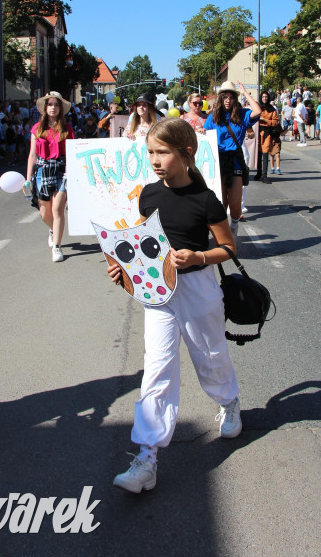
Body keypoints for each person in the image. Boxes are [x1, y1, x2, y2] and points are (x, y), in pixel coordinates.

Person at [108, 118, 241, 493]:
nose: (154, 159)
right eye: (150, 152)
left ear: (185, 153)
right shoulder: (148, 194)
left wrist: (198, 257)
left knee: (210, 355)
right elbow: (139, 244)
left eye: (162, 152)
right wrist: (124, 270)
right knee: (157, 368)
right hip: (159, 292)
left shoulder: (206, 199)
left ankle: (228, 402)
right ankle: (146, 456)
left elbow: (229, 248)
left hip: (198, 287)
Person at [204, 81, 261, 236]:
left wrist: (244, 93)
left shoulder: (242, 115)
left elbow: (257, 111)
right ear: (220, 99)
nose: (228, 100)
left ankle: (234, 226)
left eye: (231, 97)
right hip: (218, 161)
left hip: (235, 160)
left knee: (235, 204)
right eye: (225, 97)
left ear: (235, 99)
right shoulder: (214, 117)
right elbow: (205, 135)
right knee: (221, 203)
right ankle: (223, 235)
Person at [24, 91, 75, 263]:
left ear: (60, 108)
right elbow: (32, 154)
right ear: (46, 108)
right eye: (50, 104)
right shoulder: (37, 128)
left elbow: (72, 154)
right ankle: (53, 230)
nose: (53, 107)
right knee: (45, 212)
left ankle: (57, 246)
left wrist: (73, 174)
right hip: (42, 169)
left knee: (58, 209)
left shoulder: (67, 129)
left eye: (56, 104)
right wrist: (28, 178)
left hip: (61, 169)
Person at [258, 91, 280, 181]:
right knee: (258, 154)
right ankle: (259, 173)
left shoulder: (272, 109)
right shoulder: (258, 108)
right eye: (263, 97)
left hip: (267, 133)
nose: (264, 98)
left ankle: (264, 175)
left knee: (265, 153)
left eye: (266, 97)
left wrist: (266, 121)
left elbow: (275, 121)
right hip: (258, 132)